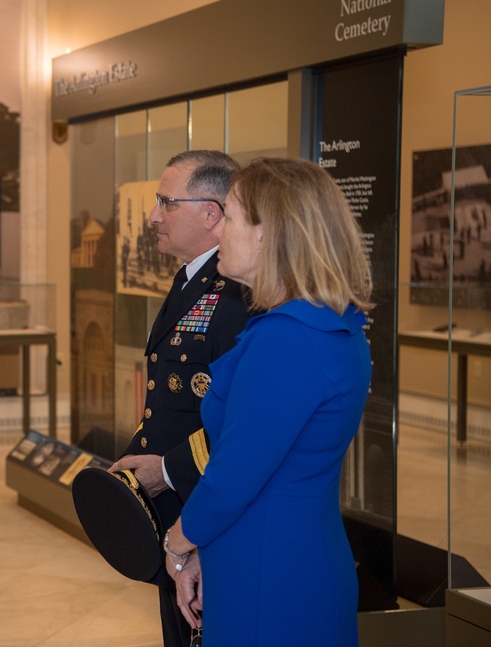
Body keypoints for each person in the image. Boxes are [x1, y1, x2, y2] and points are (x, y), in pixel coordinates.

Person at [164, 157, 373, 646]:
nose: (222, 232)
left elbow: (235, 473)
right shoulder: (325, 324)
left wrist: (178, 542)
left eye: (231, 217)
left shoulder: (288, 339)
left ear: (267, 233)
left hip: (269, 574)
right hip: (279, 555)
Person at [107, 150, 251, 647]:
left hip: (204, 500)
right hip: (178, 500)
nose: (152, 216)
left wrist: (166, 470)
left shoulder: (234, 292)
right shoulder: (190, 276)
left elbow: (237, 426)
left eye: (166, 202)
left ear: (210, 213)